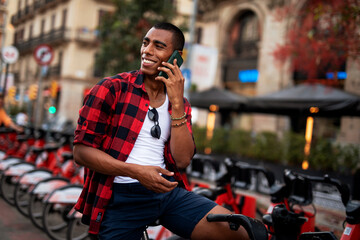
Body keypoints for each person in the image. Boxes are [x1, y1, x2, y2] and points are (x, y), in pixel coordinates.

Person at [73, 22, 249, 240]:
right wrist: (137, 172)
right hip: (120, 197)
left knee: (239, 230)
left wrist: (176, 104)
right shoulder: (112, 88)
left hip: (167, 193)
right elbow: (81, 152)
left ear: (176, 56)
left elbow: (183, 160)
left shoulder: (180, 103)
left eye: (158, 46)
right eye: (146, 43)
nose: (147, 50)